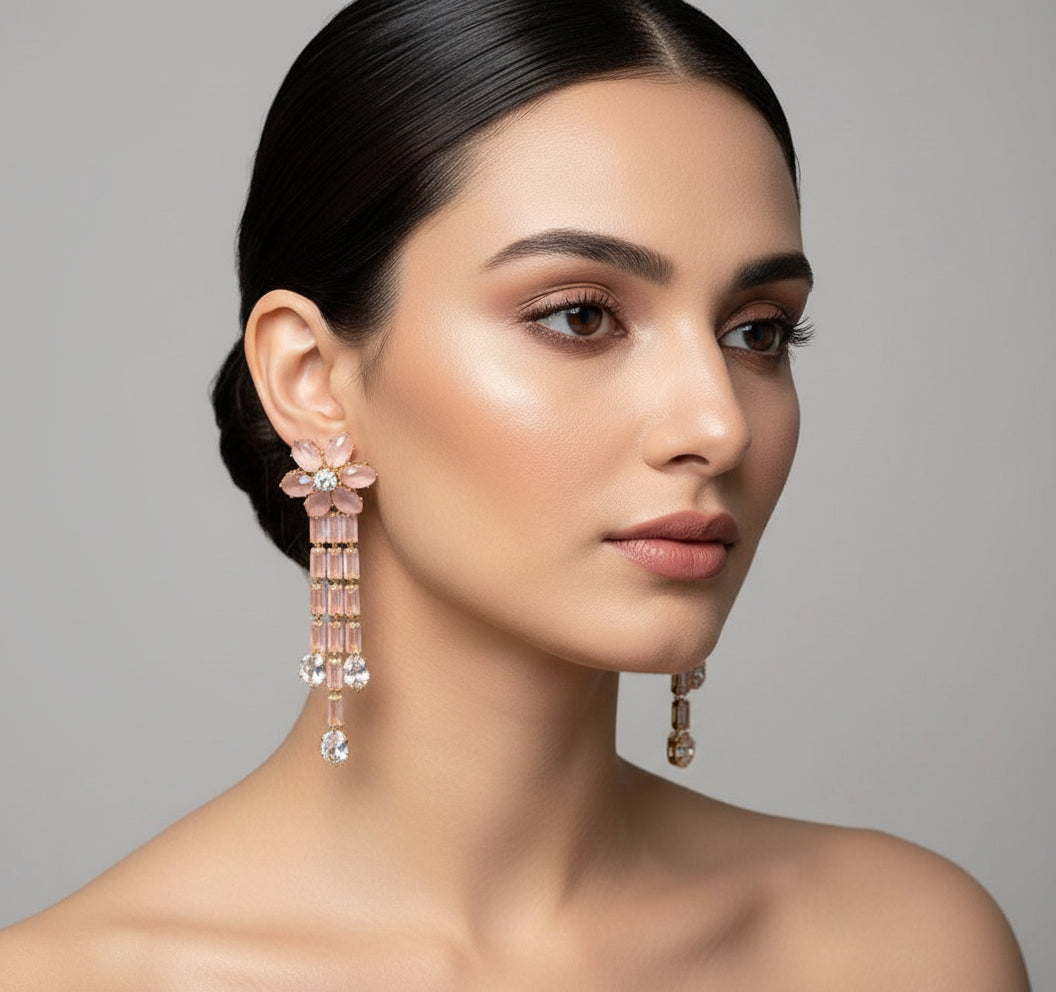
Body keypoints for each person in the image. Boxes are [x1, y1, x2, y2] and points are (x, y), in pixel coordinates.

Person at [0, 0, 1031, 987]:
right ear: (312, 381)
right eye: (581, 315)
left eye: (756, 330)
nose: (718, 423)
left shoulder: (908, 952)